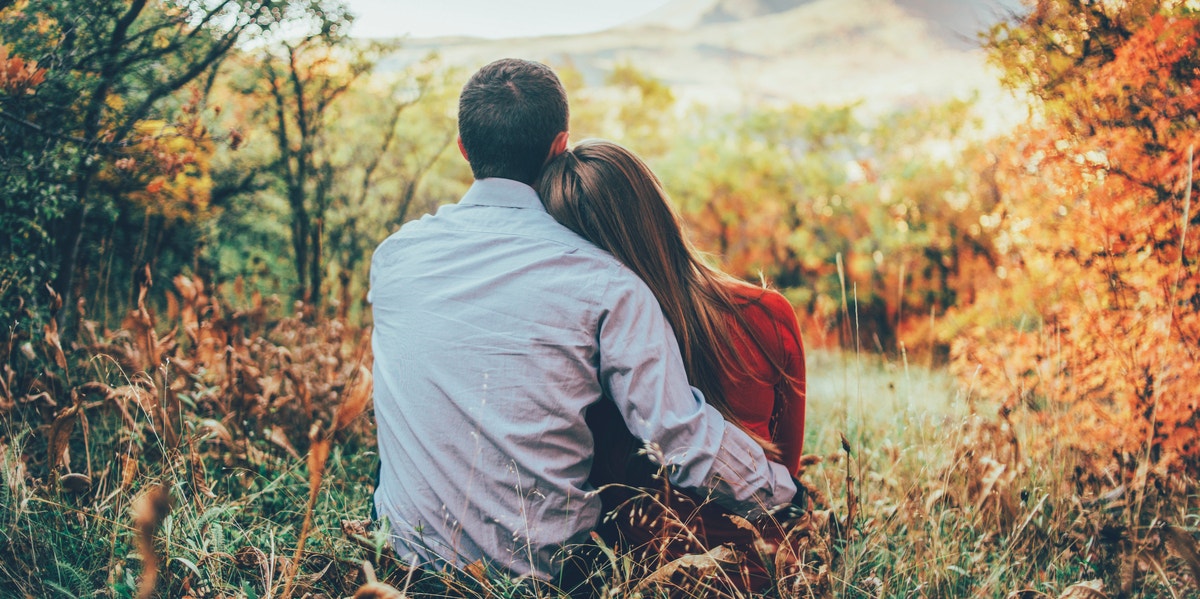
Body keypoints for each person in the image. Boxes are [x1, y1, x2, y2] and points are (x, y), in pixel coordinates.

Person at [368, 58, 798, 594]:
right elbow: (679, 437)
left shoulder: (392, 258)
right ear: (560, 145)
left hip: (404, 568)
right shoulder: (607, 284)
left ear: (463, 147)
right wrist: (786, 498)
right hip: (537, 579)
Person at [537, 139, 807, 592]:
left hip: (634, 580)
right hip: (758, 575)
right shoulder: (764, 314)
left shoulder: (578, 342)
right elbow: (786, 463)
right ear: (655, 211)